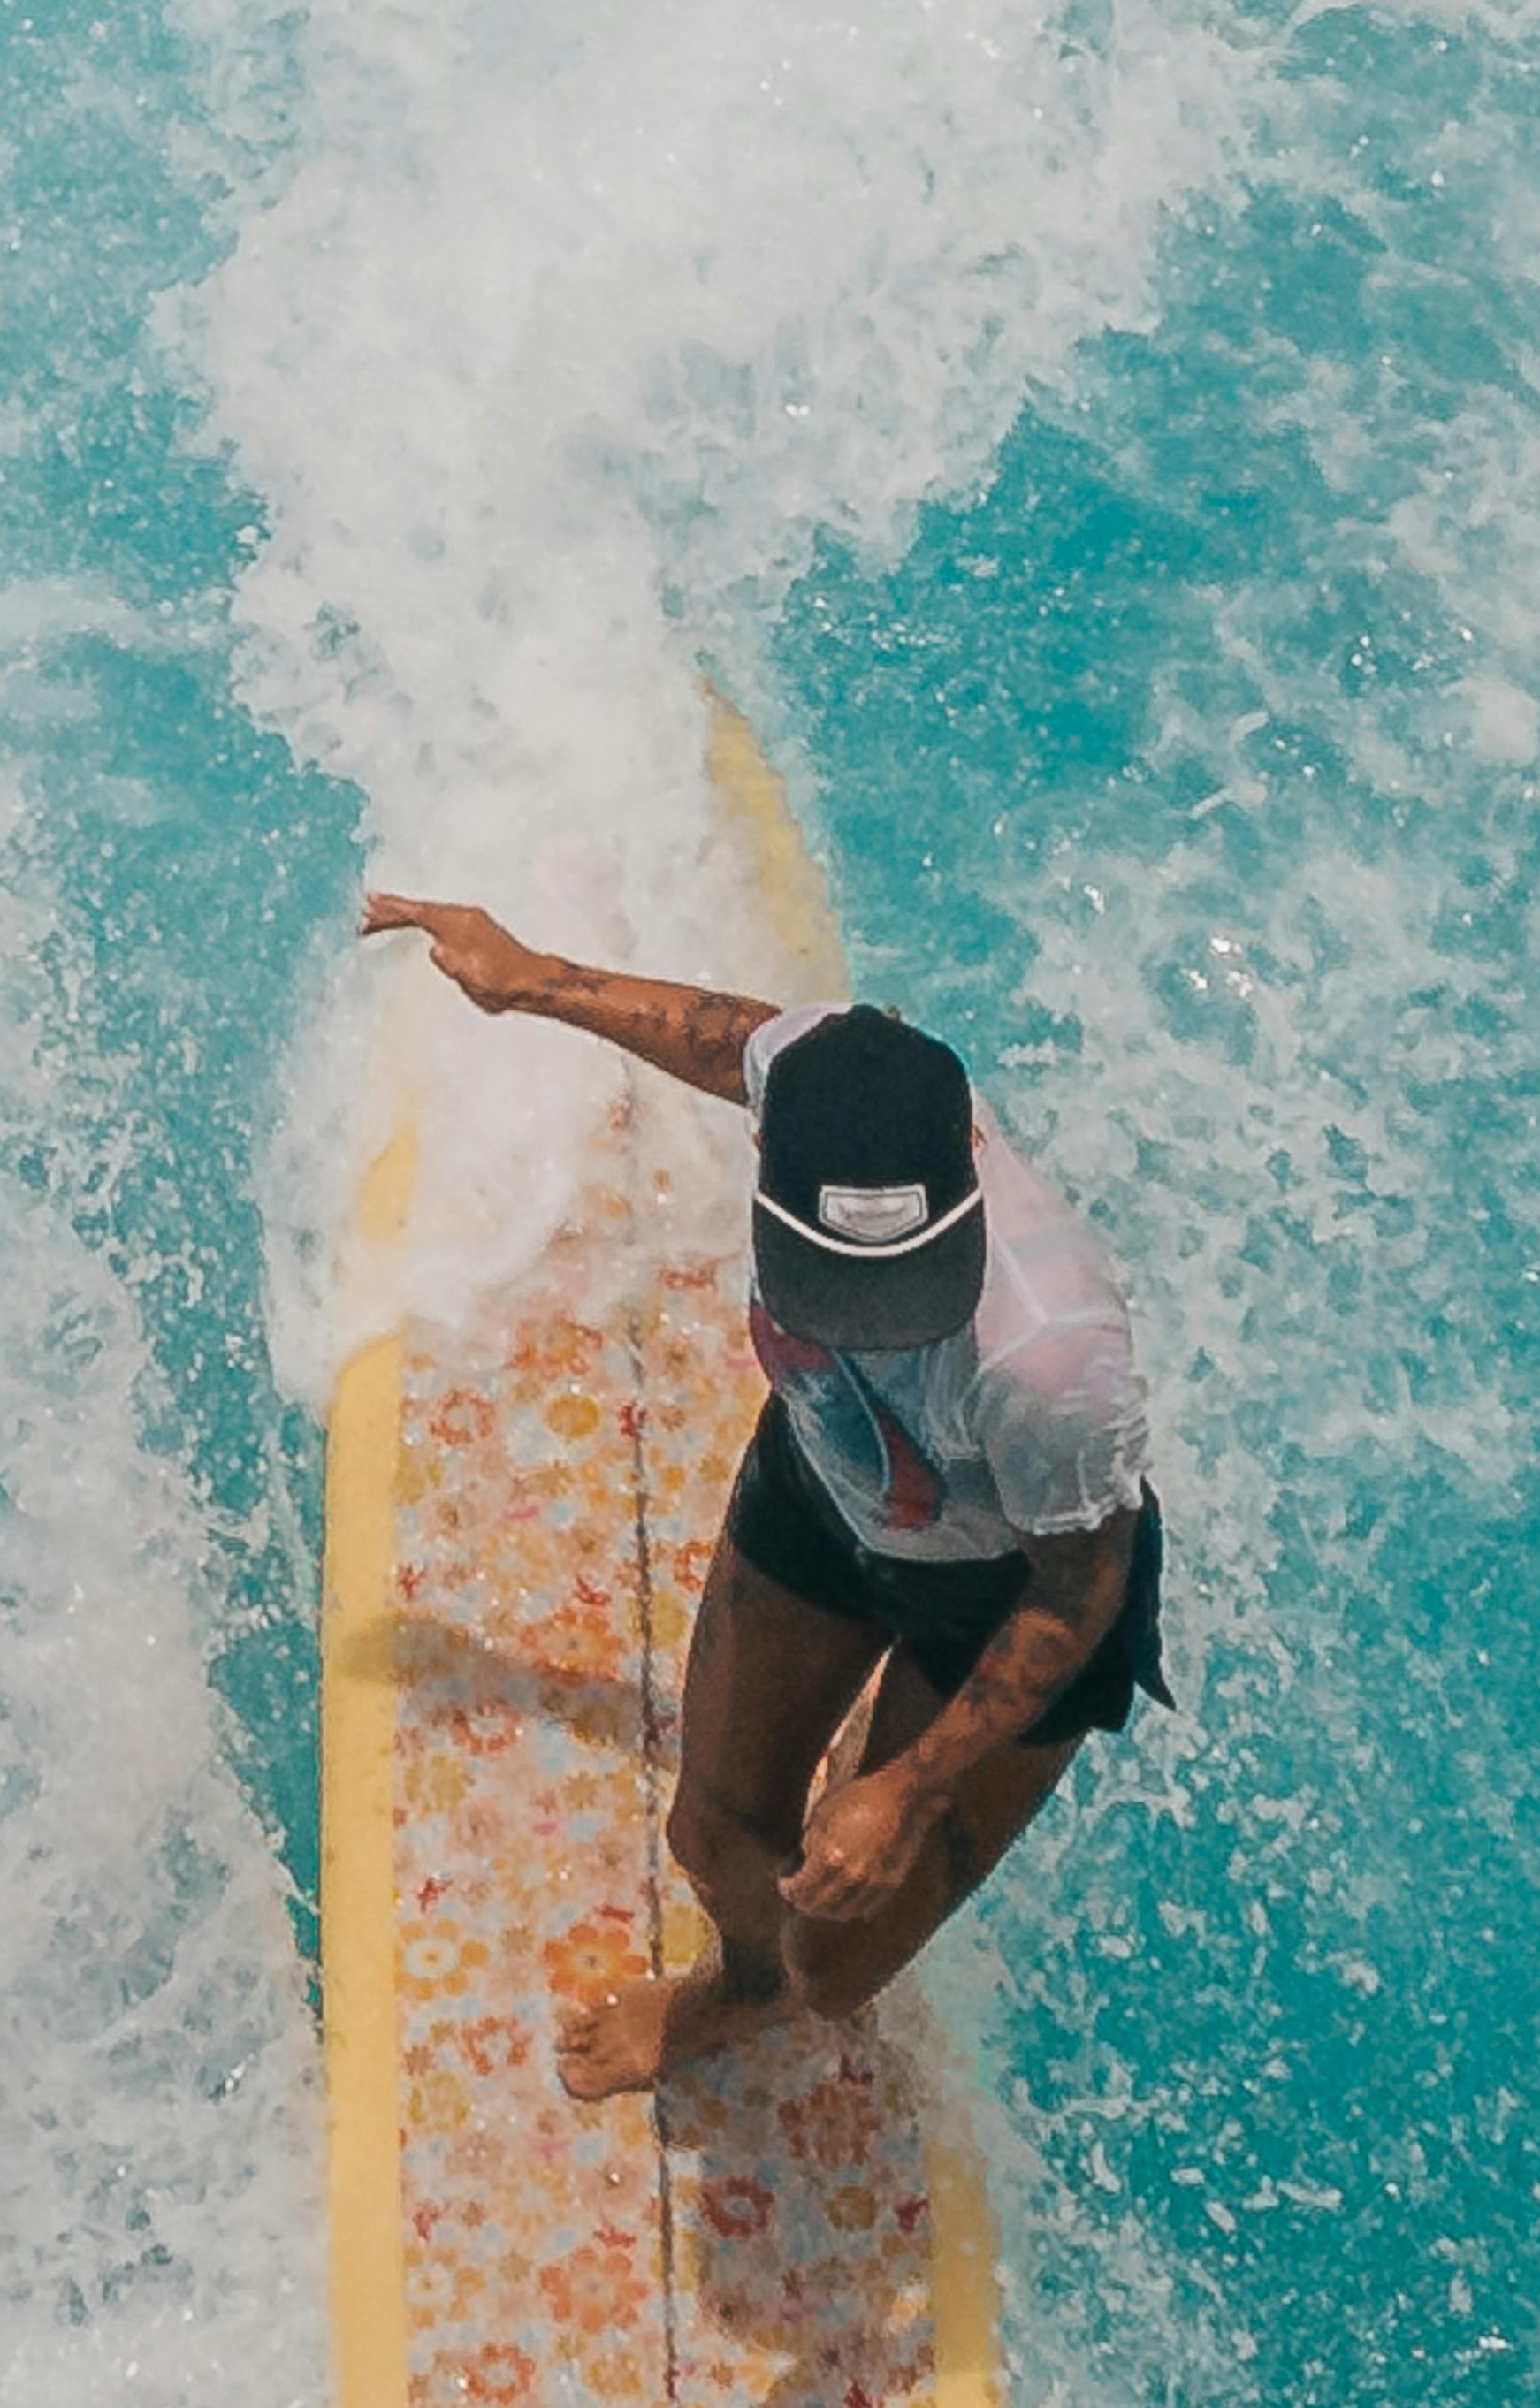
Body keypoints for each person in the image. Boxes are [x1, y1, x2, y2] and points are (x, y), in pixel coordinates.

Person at [356, 894, 1163, 2102]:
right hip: (825, 1484)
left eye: (902, 1292)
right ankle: (737, 1988)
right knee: (713, 1838)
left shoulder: (1053, 1359)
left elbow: (1079, 1590)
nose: (869, 1326)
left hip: (1001, 1590)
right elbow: (737, 1039)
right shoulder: (816, 1086)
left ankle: (808, 1940)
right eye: (840, 1289)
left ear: (969, 1165)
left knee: (836, 1969)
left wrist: (908, 1784)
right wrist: (534, 979)